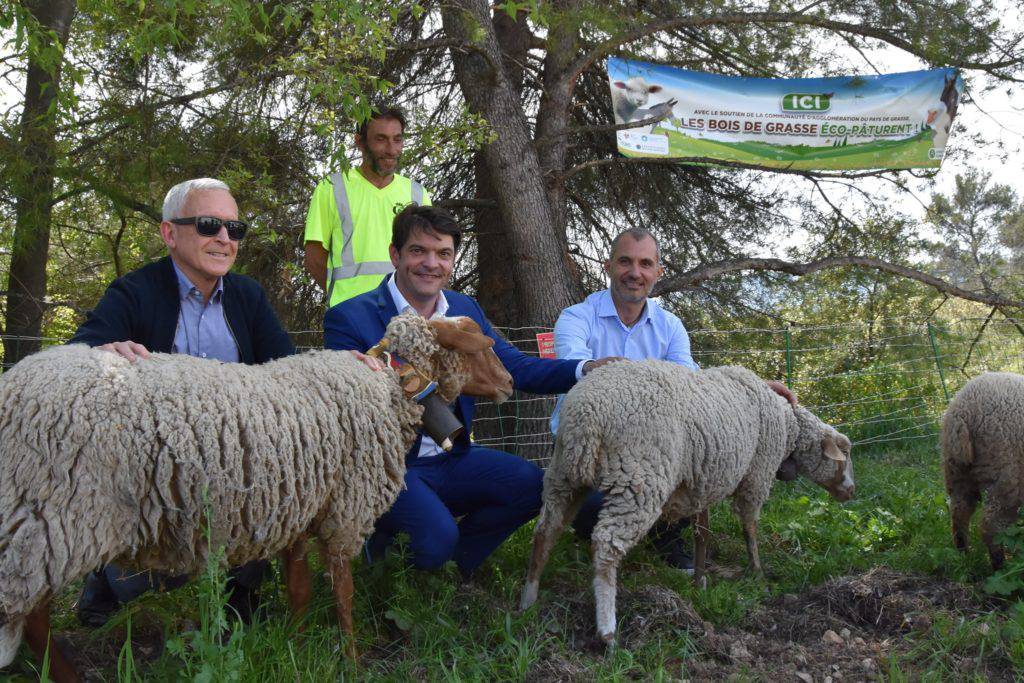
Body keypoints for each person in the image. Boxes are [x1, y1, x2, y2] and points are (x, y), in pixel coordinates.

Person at [70, 178, 382, 626]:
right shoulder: (135, 292)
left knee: (262, 504)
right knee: (140, 585)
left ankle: (242, 589)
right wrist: (103, 350)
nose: (224, 238)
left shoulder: (248, 297)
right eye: (209, 225)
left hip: (235, 471)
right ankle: (108, 580)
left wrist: (336, 369)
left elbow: (289, 370)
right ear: (169, 233)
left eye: (234, 230)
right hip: (161, 474)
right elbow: (81, 351)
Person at [323, 204, 616, 580]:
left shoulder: (463, 309)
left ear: (453, 260)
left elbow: (515, 367)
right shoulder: (351, 317)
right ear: (395, 254)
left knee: (531, 485)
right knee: (434, 536)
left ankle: (451, 566)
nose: (431, 263)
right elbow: (341, 403)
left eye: (443, 253)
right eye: (418, 251)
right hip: (388, 466)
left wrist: (585, 369)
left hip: (451, 455)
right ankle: (384, 557)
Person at [551, 228, 796, 571]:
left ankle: (667, 539)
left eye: (645, 263)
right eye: (625, 261)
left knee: (696, 461)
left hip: (653, 452)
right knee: (593, 513)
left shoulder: (670, 327)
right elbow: (572, 366)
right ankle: (611, 534)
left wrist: (754, 387)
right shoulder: (576, 318)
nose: (634, 273)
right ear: (607, 266)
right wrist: (598, 369)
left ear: (657, 273)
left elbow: (694, 382)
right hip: (596, 449)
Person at [304, 105, 432, 307]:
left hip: (405, 311)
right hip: (349, 313)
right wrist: (341, 301)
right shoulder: (331, 188)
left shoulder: (417, 194)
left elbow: (428, 256)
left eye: (397, 139)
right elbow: (314, 259)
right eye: (381, 139)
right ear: (359, 142)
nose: (391, 149)